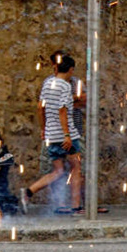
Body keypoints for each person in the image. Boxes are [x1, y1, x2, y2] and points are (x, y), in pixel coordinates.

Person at [26, 51, 83, 214]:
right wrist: (67, 135)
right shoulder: (65, 86)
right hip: (66, 135)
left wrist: (44, 128)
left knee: (58, 171)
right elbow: (62, 110)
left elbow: (40, 107)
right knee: (76, 168)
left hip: (51, 135)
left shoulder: (48, 83)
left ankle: (29, 191)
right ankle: (76, 206)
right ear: (71, 69)